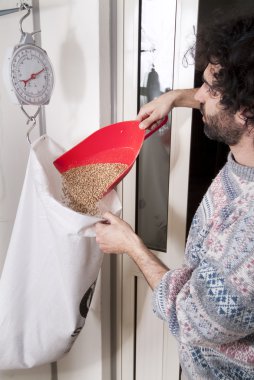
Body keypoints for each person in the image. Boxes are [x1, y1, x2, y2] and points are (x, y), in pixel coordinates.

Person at [95, 15, 254, 379]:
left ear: (245, 111)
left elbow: (190, 319)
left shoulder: (248, 235)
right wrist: (173, 98)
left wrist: (131, 244)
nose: (198, 95)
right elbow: (213, 102)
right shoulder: (246, 152)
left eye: (211, 90)